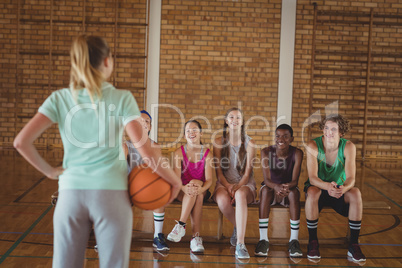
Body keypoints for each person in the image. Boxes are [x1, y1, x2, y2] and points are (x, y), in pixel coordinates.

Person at [13, 35, 181, 268]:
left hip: (70, 193)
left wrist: (51, 172)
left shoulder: (59, 98)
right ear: (107, 62)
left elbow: (21, 142)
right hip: (110, 194)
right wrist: (175, 181)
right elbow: (147, 152)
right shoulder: (122, 98)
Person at [304, 114, 366, 262]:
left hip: (338, 190)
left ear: (341, 132)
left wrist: (343, 189)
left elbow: (351, 178)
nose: (328, 132)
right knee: (312, 192)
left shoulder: (348, 146)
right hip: (319, 187)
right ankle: (313, 243)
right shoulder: (313, 145)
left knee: (356, 192)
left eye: (333, 129)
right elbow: (312, 178)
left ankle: (353, 245)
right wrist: (327, 186)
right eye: (326, 128)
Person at [212, 107, 257, 259]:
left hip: (245, 184)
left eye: (238, 118)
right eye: (231, 117)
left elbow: (247, 174)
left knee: (239, 195)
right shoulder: (219, 142)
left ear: (242, 122)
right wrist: (229, 186)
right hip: (224, 183)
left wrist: (237, 187)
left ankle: (240, 244)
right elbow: (219, 173)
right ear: (226, 121)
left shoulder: (250, 143)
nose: (235, 120)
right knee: (223, 201)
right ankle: (239, 226)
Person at [254, 124, 304, 257]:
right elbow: (267, 179)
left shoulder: (297, 153)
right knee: (265, 191)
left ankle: (294, 240)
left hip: (288, 189)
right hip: (271, 189)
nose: (281, 139)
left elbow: (295, 180)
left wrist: (286, 187)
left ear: (291, 139)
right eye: (278, 136)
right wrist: (276, 187)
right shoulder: (266, 152)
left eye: (285, 136)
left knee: (294, 193)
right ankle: (263, 239)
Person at [124, 110, 169, 252]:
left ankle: (157, 236)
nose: (143, 123)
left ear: (150, 127)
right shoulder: (125, 145)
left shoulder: (155, 146)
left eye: (147, 121)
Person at [167, 120, 213, 254]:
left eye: (194, 130)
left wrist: (201, 189)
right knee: (195, 193)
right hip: (182, 189)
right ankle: (196, 238)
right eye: (188, 130)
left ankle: (181, 225)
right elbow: (176, 180)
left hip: (202, 190)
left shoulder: (208, 154)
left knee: (196, 188)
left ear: (201, 133)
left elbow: (209, 180)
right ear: (184, 135)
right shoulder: (178, 153)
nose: (191, 132)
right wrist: (185, 188)